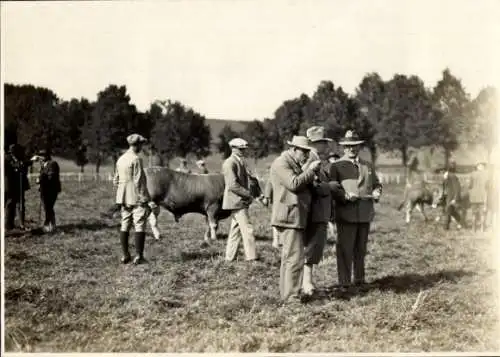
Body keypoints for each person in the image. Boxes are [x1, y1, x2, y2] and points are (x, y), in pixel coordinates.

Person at [269, 136, 322, 304]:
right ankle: (291, 298)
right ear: (293, 149)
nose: (306, 156)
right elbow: (293, 184)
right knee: (295, 258)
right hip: (290, 216)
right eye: (304, 152)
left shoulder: (292, 163)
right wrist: (311, 171)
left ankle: (287, 295)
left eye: (307, 152)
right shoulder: (281, 163)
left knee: (289, 258)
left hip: (295, 216)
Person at [328, 130, 382, 291]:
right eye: (348, 146)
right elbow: (333, 188)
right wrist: (344, 195)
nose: (352, 149)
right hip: (346, 214)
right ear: (343, 148)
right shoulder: (336, 166)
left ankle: (360, 279)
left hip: (364, 214)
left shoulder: (368, 165)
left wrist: (377, 191)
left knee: (361, 248)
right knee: (345, 249)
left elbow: (377, 184)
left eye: (355, 146)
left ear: (359, 147)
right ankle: (344, 282)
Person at [301, 126, 336, 295]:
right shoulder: (311, 161)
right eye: (323, 142)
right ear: (316, 144)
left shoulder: (316, 161)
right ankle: (306, 284)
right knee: (311, 248)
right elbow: (313, 185)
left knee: (313, 248)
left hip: (318, 211)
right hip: (315, 211)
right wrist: (330, 186)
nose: (326, 146)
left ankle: (307, 282)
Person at [113, 133, 154, 265]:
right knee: (139, 224)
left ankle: (125, 255)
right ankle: (139, 256)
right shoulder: (136, 159)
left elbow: (115, 180)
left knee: (125, 224)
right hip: (135, 197)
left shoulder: (121, 159)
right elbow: (139, 182)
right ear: (137, 145)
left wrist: (121, 193)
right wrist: (146, 199)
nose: (142, 147)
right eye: (141, 144)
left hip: (123, 197)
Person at [222, 138, 258, 262]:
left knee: (235, 231)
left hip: (238, 201)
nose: (243, 151)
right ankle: (252, 258)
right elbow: (232, 185)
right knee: (248, 230)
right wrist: (248, 195)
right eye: (241, 149)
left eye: (244, 149)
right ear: (233, 148)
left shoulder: (239, 161)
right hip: (237, 201)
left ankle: (229, 258)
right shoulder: (229, 163)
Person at [32, 149, 61, 233]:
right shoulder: (43, 165)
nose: (40, 158)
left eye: (41, 156)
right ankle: (51, 225)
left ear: (46, 156)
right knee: (47, 208)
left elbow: (51, 176)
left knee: (48, 208)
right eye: (40, 156)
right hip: (45, 189)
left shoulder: (52, 164)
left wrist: (40, 179)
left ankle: (49, 226)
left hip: (51, 189)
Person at [5, 144, 31, 231]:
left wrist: (30, 161)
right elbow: (13, 166)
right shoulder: (7, 158)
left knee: (21, 204)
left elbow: (26, 163)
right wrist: (17, 166)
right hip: (11, 186)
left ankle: (21, 223)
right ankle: (9, 225)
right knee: (10, 204)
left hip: (20, 185)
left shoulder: (20, 158)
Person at [441, 161, 464, 230]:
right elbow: (445, 187)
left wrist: (455, 198)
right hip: (447, 196)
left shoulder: (453, 176)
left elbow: (457, 188)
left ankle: (446, 227)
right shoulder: (446, 176)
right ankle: (461, 222)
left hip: (451, 196)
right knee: (452, 211)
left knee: (448, 210)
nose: (443, 172)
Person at [468, 162, 489, 231]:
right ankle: (482, 228)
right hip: (483, 196)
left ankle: (473, 228)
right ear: (483, 167)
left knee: (474, 213)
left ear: (477, 167)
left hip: (474, 196)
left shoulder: (472, 174)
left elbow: (470, 186)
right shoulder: (486, 175)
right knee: (482, 213)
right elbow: (487, 186)